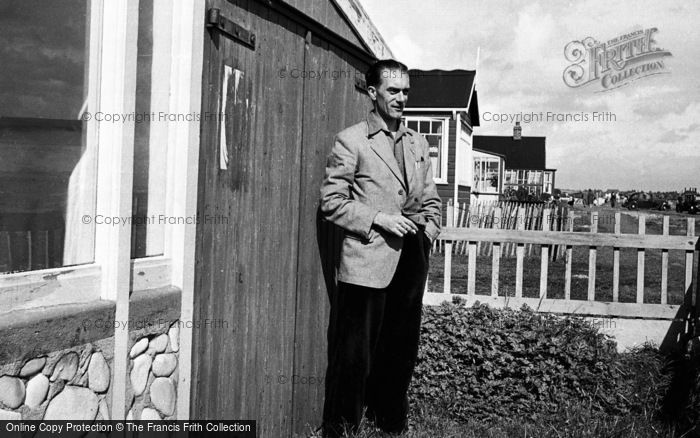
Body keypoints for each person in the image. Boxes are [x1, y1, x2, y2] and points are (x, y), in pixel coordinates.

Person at [319, 59, 442, 437]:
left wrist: (429, 232)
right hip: (368, 261)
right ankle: (341, 428)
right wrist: (379, 219)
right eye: (393, 91)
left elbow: (431, 199)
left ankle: (390, 424)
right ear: (373, 93)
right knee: (354, 354)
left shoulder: (418, 142)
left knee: (400, 350)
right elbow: (331, 201)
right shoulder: (352, 140)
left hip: (411, 260)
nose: (401, 98)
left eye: (406, 91)